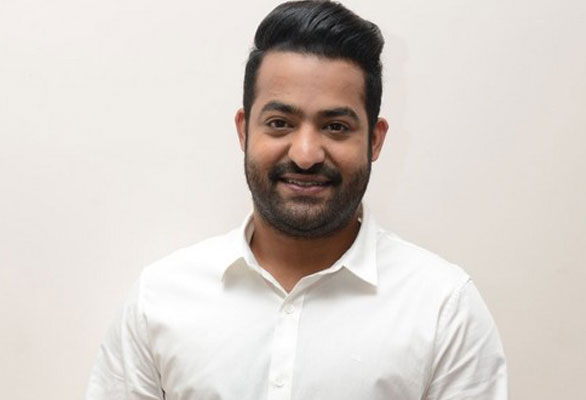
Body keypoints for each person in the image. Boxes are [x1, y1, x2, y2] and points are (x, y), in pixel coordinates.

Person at [86, 1, 508, 399]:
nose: (306, 154)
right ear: (244, 130)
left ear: (375, 140)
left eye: (336, 126)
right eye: (279, 123)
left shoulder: (443, 309)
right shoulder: (159, 300)